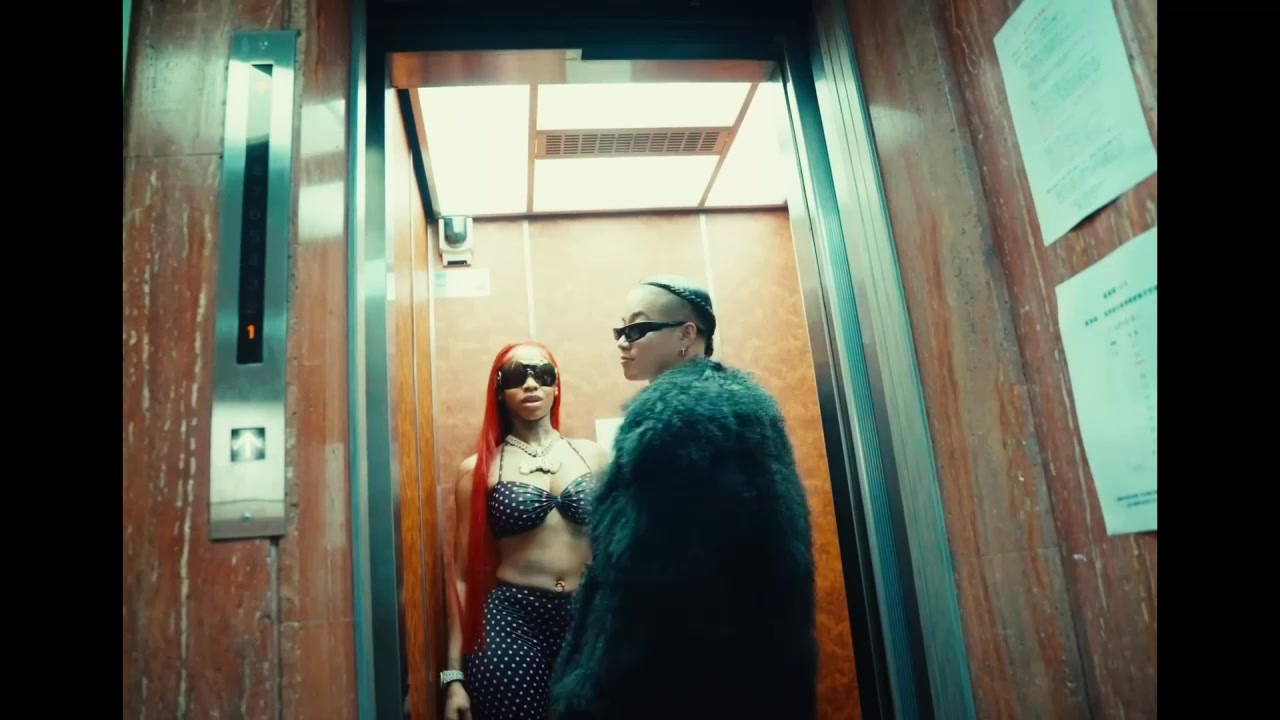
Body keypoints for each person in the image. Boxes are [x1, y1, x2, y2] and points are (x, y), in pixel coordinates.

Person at [549, 277, 819, 720]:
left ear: (687, 334)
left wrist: (595, 685)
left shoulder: (675, 421)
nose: (623, 342)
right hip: (746, 667)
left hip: (679, 678)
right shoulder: (745, 405)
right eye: (620, 331)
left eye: (637, 329)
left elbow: (645, 579)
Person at [443, 342, 611, 720]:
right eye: (518, 375)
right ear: (499, 390)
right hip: (511, 621)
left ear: (556, 385)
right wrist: (452, 677)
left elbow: (618, 549)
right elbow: (462, 577)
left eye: (542, 374)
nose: (531, 384)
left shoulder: (594, 457)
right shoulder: (478, 470)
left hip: (586, 616)